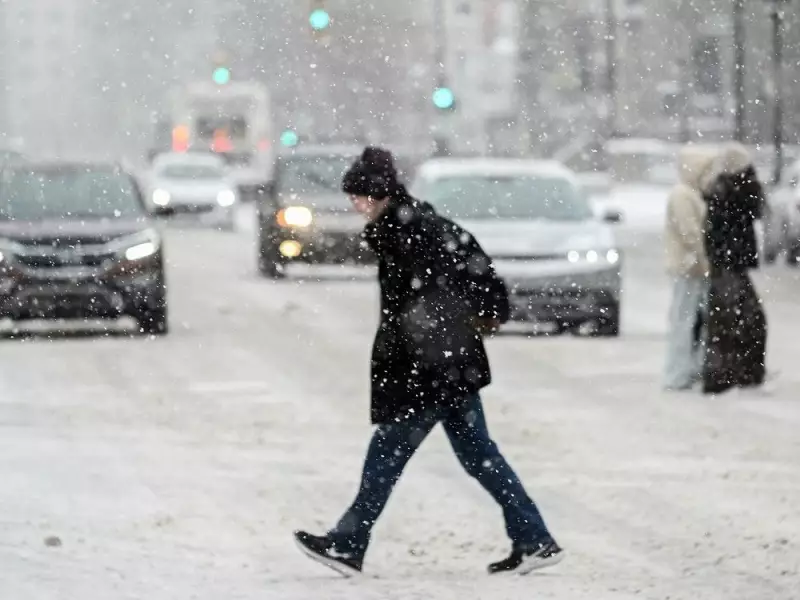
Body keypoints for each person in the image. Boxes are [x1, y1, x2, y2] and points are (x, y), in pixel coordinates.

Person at [293, 147, 562, 576]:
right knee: (479, 457)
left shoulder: (410, 232)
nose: (353, 205)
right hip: (448, 365)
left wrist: (424, 357)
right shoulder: (409, 225)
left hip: (432, 369)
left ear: (378, 194)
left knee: (387, 454)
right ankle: (534, 538)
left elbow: (432, 301)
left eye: (358, 196)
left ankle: (348, 543)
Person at [701, 142, 768, 395]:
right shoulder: (733, 192)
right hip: (729, 265)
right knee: (734, 322)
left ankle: (731, 374)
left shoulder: (727, 191)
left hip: (728, 264)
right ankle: (730, 375)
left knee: (732, 321)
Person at [662, 145, 717, 390]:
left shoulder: (691, 193)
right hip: (689, 267)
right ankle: (678, 374)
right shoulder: (683, 195)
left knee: (695, 321)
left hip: (694, 267)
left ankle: (691, 369)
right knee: (684, 321)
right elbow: (691, 232)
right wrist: (704, 258)